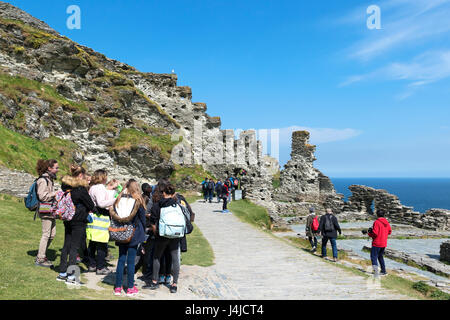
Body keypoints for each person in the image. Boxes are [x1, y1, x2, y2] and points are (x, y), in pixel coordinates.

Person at [56, 165, 97, 284]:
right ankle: (71, 275)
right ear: (80, 175)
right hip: (78, 219)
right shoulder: (80, 189)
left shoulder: (66, 186)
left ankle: (62, 273)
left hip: (67, 218)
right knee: (74, 247)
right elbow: (90, 205)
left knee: (66, 246)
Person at [145, 183, 181, 293]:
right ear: (173, 193)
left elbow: (153, 219)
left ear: (163, 193)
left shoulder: (158, 204)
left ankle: (155, 281)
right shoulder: (177, 204)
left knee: (157, 257)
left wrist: (155, 230)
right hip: (175, 234)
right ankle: (174, 284)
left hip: (162, 234)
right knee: (175, 258)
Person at [112, 180, 147, 297]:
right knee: (131, 261)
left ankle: (118, 287)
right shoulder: (137, 200)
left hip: (121, 231)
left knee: (121, 259)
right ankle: (130, 287)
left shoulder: (119, 199)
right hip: (133, 232)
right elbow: (142, 218)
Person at [87, 169, 117, 275]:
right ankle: (100, 267)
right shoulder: (99, 188)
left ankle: (92, 264)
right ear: (103, 177)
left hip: (93, 217)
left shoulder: (92, 187)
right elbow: (101, 203)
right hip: (101, 218)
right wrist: (115, 200)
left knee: (92, 243)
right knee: (102, 244)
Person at [35, 159, 59, 268]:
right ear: (49, 168)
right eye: (56, 168)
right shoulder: (43, 180)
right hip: (45, 210)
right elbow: (42, 196)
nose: (58, 170)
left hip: (50, 210)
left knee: (52, 234)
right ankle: (40, 258)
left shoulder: (49, 179)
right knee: (46, 234)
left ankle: (42, 254)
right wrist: (55, 193)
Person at [368, 209, 392, 277]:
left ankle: (376, 271)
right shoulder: (386, 222)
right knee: (380, 256)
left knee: (373, 257)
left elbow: (375, 233)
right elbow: (389, 231)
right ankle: (383, 271)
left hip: (377, 242)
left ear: (377, 214)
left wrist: (369, 233)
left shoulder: (377, 222)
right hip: (383, 242)